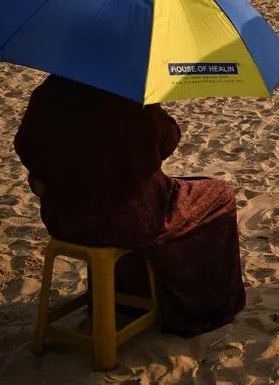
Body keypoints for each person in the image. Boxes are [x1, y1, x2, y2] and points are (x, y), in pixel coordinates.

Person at [16, 75, 245, 336]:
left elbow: (25, 148)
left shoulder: (49, 91)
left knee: (152, 200)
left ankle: (128, 296)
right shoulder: (130, 90)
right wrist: (154, 102)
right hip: (128, 220)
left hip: (65, 220)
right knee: (221, 194)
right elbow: (166, 144)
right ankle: (203, 306)